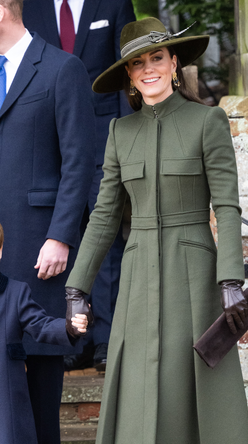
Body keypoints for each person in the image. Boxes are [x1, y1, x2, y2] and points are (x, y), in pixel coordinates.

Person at [66, 17, 248, 444]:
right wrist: (77, 288)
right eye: (138, 63)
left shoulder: (208, 122)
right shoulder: (119, 131)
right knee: (138, 381)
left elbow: (226, 206)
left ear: (173, 64)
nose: (148, 69)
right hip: (137, 275)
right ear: (130, 76)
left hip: (194, 273)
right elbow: (105, 215)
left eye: (157, 58)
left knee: (189, 384)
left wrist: (230, 279)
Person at [22, 0, 136, 371]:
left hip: (106, 140)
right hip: (49, 143)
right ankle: (72, 336)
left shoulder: (114, 3)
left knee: (105, 238)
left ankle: (104, 339)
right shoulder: (30, 6)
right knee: (59, 235)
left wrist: (129, 140)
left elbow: (127, 69)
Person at [0, 1, 95, 443]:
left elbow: (78, 163)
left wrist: (60, 236)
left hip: (37, 249)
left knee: (39, 390)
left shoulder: (62, 68)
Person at [0, 223, 90, 444]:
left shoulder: (15, 292)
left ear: (1, 251)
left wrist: (69, 327)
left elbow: (40, 324)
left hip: (5, 400)